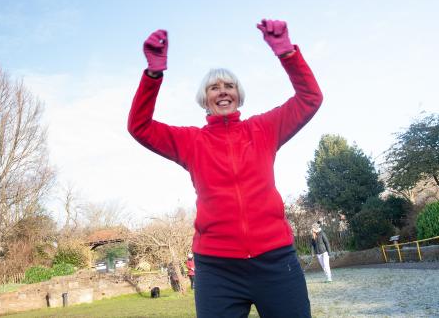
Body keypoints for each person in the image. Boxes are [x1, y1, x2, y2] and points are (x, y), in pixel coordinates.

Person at [128, 19, 323, 317]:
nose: (222, 91)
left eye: (229, 86)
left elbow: (310, 98)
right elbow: (139, 126)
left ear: (238, 94)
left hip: (275, 261)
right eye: (214, 87)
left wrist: (286, 52)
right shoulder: (192, 141)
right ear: (204, 99)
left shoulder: (264, 129)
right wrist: (153, 73)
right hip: (218, 269)